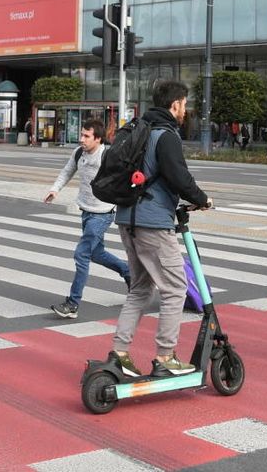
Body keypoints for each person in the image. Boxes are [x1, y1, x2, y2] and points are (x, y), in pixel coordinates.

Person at [109, 80, 212, 378]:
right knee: (176, 288)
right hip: (153, 222)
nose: (185, 110)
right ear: (175, 104)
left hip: (127, 218)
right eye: (184, 104)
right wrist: (202, 199)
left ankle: (120, 351)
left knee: (140, 288)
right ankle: (166, 356)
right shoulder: (165, 135)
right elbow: (179, 176)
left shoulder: (139, 129)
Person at [45, 118, 130, 319]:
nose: (81, 139)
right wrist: (54, 190)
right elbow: (66, 172)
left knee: (82, 254)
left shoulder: (107, 156)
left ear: (98, 139)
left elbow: (123, 179)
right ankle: (129, 273)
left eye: (86, 136)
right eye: (81, 135)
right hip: (86, 210)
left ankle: (73, 304)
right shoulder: (78, 153)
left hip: (102, 213)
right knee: (96, 253)